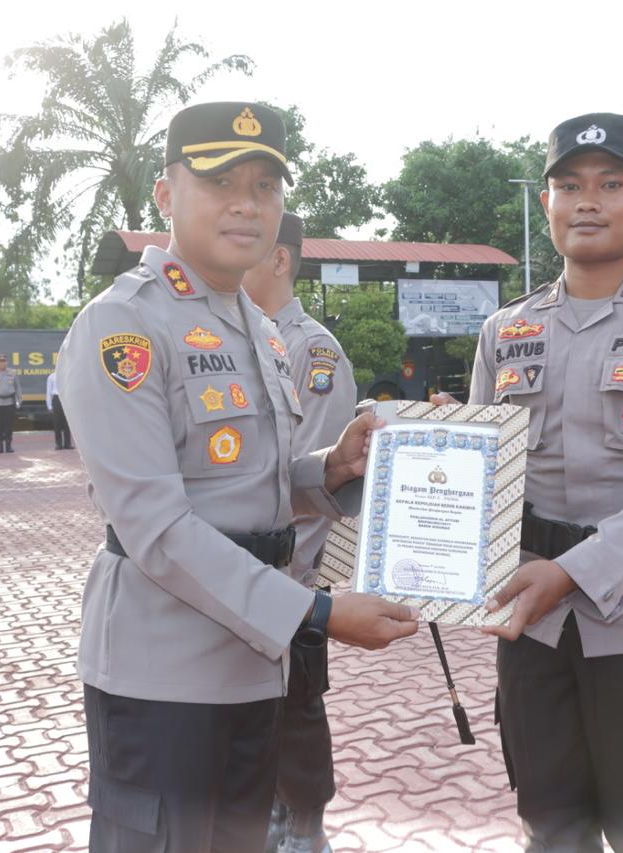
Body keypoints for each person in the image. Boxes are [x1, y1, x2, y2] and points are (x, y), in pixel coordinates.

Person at [53, 102, 419, 853]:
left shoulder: (251, 323)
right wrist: (316, 615)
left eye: (265, 185)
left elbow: (245, 484)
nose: (247, 203)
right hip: (165, 679)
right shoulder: (123, 325)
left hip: (254, 670)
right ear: (165, 194)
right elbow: (156, 526)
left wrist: (331, 468)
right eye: (221, 181)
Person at [436, 111, 623, 853]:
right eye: (569, 185)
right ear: (547, 204)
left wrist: (570, 573)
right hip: (529, 618)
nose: (588, 201)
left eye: (612, 183)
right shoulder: (506, 330)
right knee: (549, 823)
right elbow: (480, 472)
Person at [241, 211, 357, 853]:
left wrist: (282, 592)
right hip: (233, 592)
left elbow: (311, 487)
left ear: (281, 259)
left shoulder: (312, 351)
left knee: (294, 766)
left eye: (250, 247)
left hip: (285, 594)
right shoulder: (230, 338)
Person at [46, 370, 73, 450]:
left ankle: (67, 443)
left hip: (66, 398)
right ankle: (58, 444)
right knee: (57, 423)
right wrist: (49, 405)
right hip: (57, 399)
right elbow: (48, 392)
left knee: (67, 423)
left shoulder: (67, 375)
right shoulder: (51, 377)